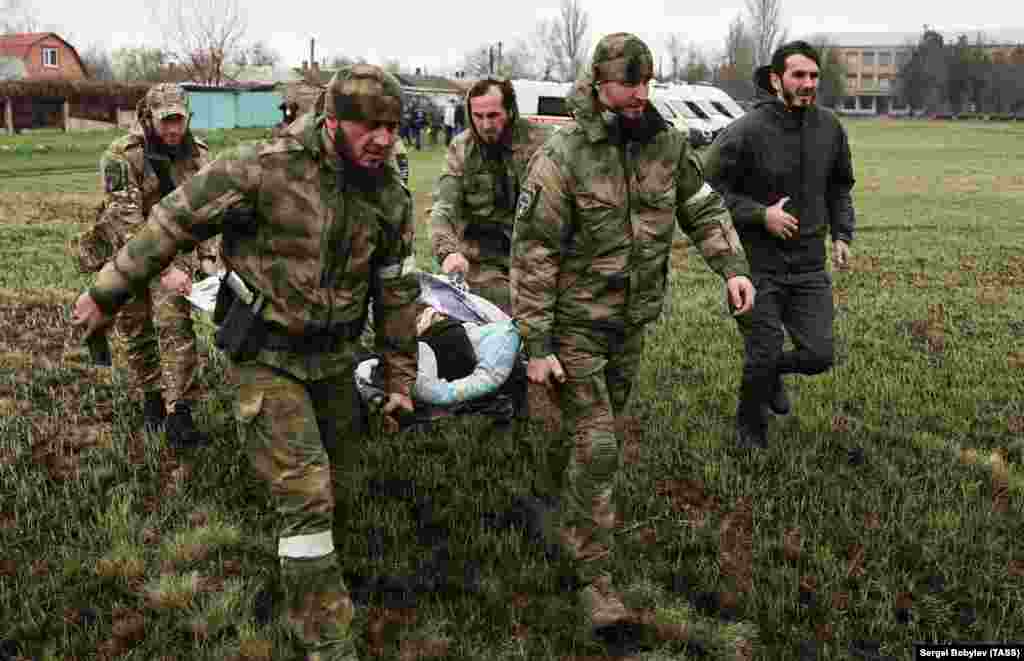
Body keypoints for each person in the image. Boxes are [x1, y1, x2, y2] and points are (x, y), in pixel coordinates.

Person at [72, 64, 420, 661]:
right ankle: (327, 640)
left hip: (335, 359)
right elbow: (170, 223)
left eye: (392, 127)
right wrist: (105, 294)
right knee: (306, 497)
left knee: (346, 484)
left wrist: (400, 377)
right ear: (333, 120)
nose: (384, 140)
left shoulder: (387, 192)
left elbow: (396, 289)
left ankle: (330, 581)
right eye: (369, 127)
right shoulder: (262, 168)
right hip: (266, 356)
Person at [510, 33, 754, 635]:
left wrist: (733, 268)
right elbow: (534, 251)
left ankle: (551, 506)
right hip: (575, 328)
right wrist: (536, 343)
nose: (638, 95)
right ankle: (594, 580)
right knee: (599, 446)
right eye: (627, 83)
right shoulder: (563, 156)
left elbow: (701, 206)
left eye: (646, 83)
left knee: (590, 437)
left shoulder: (666, 144)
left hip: (630, 327)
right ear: (597, 83)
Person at [702, 41, 856, 449]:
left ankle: (770, 375)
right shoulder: (744, 132)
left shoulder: (830, 128)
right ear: (776, 80)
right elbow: (706, 192)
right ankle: (750, 428)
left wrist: (842, 233)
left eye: (813, 76)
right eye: (798, 75)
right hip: (757, 268)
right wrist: (759, 215)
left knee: (820, 355)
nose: (808, 84)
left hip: (809, 267)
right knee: (763, 349)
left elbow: (840, 186)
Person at [78, 83, 219, 447]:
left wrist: (207, 258)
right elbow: (126, 224)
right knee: (136, 324)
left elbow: (208, 209)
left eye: (179, 120)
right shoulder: (122, 156)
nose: (174, 129)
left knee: (175, 324)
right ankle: (152, 398)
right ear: (148, 118)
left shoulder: (197, 153)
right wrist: (162, 270)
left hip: (174, 248)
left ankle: (181, 413)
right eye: (165, 121)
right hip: (130, 250)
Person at [430, 78, 554, 315]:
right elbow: (444, 207)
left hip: (536, 259)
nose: (486, 124)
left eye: (493, 115)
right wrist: (448, 252)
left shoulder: (543, 144)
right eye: (478, 116)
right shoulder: (462, 149)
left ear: (510, 111)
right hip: (483, 263)